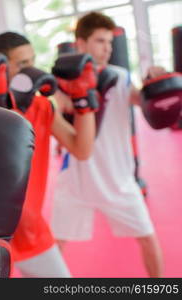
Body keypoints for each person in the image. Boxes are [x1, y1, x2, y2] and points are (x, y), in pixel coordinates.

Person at [50, 11, 164, 277]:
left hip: (118, 177)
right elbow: (58, 105)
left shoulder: (120, 76)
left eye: (110, 43)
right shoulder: (62, 79)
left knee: (147, 236)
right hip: (76, 176)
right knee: (55, 243)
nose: (107, 48)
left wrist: (155, 83)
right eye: (100, 41)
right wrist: (65, 88)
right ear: (80, 43)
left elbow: (141, 101)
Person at [0, 32, 97, 277]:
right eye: (23, 64)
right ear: (0, 67)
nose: (32, 70)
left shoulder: (41, 106)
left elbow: (81, 149)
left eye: (32, 61)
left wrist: (83, 99)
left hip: (30, 229)